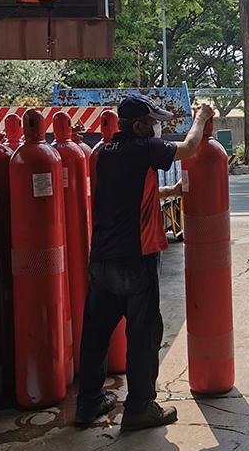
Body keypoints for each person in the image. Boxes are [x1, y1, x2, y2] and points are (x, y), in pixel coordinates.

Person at [75, 97, 214, 431]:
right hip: (135, 259)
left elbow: (129, 193)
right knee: (143, 335)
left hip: (102, 259)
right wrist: (201, 116)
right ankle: (140, 408)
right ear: (137, 126)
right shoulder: (143, 148)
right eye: (152, 123)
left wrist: (170, 192)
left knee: (96, 335)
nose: (156, 129)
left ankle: (88, 403)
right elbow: (190, 147)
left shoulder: (104, 153)